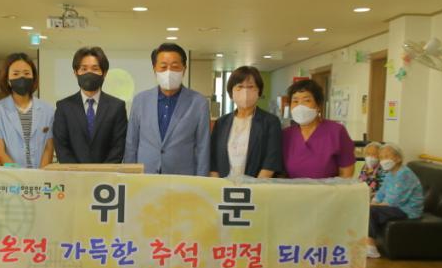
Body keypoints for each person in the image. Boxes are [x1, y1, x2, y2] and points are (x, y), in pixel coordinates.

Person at [124, 43, 210, 175]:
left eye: (175, 67)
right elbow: (131, 143)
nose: (169, 72)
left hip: (182, 176)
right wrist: (129, 176)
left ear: (184, 69)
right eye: (163, 67)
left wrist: (202, 180)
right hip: (145, 175)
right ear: (154, 69)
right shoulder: (140, 100)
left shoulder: (199, 103)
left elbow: (203, 147)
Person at [53, 47, 127, 163]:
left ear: (104, 73)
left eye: (95, 69)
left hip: (107, 173)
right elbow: (61, 147)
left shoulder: (117, 107)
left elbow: (118, 147)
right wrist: (77, 172)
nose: (89, 73)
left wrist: (103, 172)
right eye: (84, 69)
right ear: (75, 73)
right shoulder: (63, 107)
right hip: (72, 173)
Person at [0, 53, 55, 168]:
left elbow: (48, 148)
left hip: (41, 175)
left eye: (27, 73)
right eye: (15, 74)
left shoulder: (48, 110)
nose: (22, 78)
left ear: (33, 78)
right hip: (10, 175)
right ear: (8, 80)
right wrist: (19, 175)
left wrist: (41, 175)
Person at [210, 66, 282, 178]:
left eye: (250, 87)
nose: (245, 92)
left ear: (259, 91)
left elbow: (271, 161)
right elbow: (213, 160)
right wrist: (218, 184)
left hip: (257, 185)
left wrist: (254, 186)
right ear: (231, 92)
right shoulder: (221, 123)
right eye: (240, 86)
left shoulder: (270, 122)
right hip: (223, 184)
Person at [282, 79, 355, 179]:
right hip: (292, 188)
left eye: (306, 100)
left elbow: (346, 174)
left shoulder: (336, 131)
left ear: (318, 105)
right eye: (295, 101)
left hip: (330, 189)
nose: (300, 106)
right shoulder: (286, 135)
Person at [367, 143, 424, 258]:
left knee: (371, 211)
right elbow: (382, 191)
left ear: (398, 158)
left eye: (387, 156)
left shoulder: (404, 174)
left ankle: (371, 248)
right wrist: (374, 201)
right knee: (367, 207)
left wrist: (374, 206)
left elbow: (395, 201)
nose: (383, 160)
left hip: (407, 210)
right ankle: (365, 243)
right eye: (381, 157)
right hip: (396, 206)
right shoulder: (390, 173)